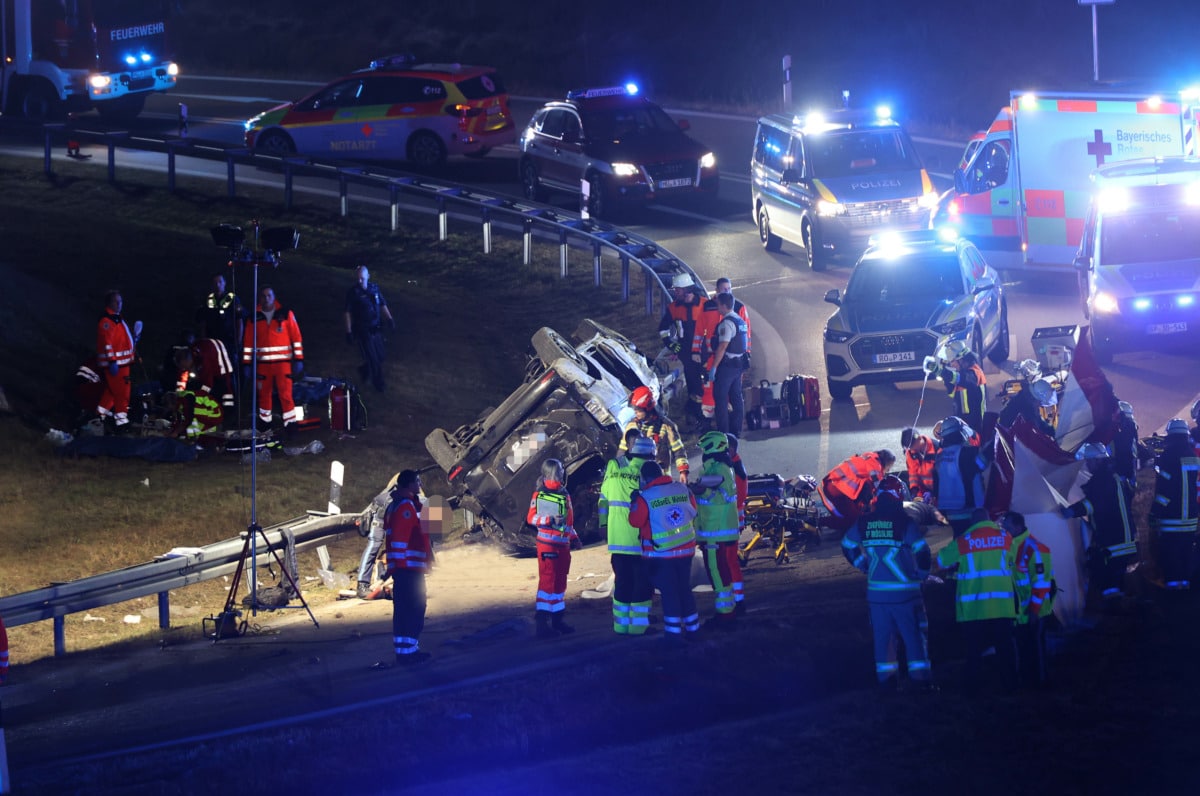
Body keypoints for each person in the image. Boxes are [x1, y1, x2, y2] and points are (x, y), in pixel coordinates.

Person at [841, 474, 933, 691]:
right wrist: (921, 575)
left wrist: (863, 565)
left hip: (877, 596)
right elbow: (923, 553)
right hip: (906, 595)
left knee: (883, 641)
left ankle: (887, 684)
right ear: (898, 497)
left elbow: (847, 544)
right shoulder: (904, 523)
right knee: (914, 639)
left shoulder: (864, 522)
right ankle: (920, 682)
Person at [935, 508, 1017, 692]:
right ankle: (1010, 685)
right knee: (1005, 647)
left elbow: (941, 561)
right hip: (1002, 605)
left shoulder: (965, 540)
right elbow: (1013, 561)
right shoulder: (1006, 537)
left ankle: (974, 689)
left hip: (974, 608)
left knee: (974, 650)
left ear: (972, 522)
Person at [628, 460, 700, 642]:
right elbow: (693, 509)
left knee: (670, 594)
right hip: (686, 551)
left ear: (645, 478)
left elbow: (635, 521)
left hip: (661, 554)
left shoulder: (645, 497)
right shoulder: (682, 489)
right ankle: (693, 629)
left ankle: (673, 635)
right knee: (684, 589)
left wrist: (634, 502)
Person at [1061, 442, 1137, 604]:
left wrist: (1071, 511)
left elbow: (1093, 504)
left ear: (1097, 460)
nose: (1087, 465)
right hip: (1122, 537)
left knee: (1108, 580)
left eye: (1089, 461)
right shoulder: (1112, 476)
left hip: (1113, 539)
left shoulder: (1102, 480)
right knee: (1117, 579)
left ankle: (1114, 609)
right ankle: (1121, 608)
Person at [599, 432, 656, 635]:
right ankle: (638, 627)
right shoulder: (646, 472)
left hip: (616, 540)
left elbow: (603, 500)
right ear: (650, 454)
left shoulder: (614, 467)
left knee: (622, 583)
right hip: (638, 541)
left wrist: (603, 525)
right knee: (642, 584)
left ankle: (620, 626)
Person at [692, 431, 742, 630]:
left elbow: (714, 492)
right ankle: (728, 611)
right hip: (717, 530)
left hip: (716, 530)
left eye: (704, 449)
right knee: (720, 571)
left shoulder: (719, 468)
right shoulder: (720, 467)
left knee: (717, 572)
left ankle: (726, 614)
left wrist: (697, 490)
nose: (703, 453)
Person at [384, 469, 435, 664]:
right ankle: (410, 652)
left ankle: (404, 651)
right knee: (415, 608)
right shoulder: (405, 506)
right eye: (417, 481)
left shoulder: (398, 504)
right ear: (410, 484)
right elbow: (400, 538)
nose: (420, 484)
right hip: (408, 569)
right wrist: (400, 565)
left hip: (404, 569)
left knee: (403, 610)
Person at [527, 458, 581, 638]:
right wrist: (549, 520)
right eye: (560, 470)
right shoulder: (540, 494)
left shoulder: (564, 493)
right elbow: (531, 518)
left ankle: (558, 620)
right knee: (547, 583)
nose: (562, 472)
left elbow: (568, 522)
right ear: (552, 472)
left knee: (560, 583)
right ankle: (542, 624)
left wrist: (574, 537)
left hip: (562, 545)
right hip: (548, 546)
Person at [242, 285, 304, 432]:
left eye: (269, 295)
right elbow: (248, 342)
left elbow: (296, 337)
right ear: (260, 298)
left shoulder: (285, 313)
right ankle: (265, 424)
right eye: (263, 296)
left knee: (286, 394)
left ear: (274, 297)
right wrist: (246, 363)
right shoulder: (254, 317)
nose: (266, 298)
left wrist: (299, 360)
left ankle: (290, 424)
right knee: (264, 394)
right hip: (263, 364)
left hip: (283, 364)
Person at [1004, 510, 1055, 688]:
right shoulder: (1011, 546)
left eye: (1007, 527)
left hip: (1034, 611)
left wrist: (1034, 610)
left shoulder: (1035, 549)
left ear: (1018, 526)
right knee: (1024, 648)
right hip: (1020, 613)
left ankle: (1041, 684)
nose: (1005, 530)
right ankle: (1027, 682)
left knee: (1037, 649)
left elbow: (1041, 584)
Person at [1148, 419, 1199, 591]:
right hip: (1191, 516)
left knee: (1170, 554)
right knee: (1186, 553)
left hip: (1172, 517)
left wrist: (1154, 513)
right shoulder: (1193, 456)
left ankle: (1172, 590)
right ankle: (1184, 586)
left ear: (1170, 436)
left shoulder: (1168, 457)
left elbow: (1164, 490)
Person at [658, 272, 708, 431]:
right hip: (686, 353)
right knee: (694, 385)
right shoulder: (674, 308)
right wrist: (671, 345)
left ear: (687, 289)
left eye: (678, 290)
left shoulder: (705, 305)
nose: (675, 292)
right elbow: (663, 329)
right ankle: (696, 416)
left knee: (707, 383)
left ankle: (701, 413)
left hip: (705, 351)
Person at [621, 385, 689, 483]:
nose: (636, 413)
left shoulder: (666, 426)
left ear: (648, 408)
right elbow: (622, 451)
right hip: (637, 479)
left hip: (661, 478)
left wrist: (683, 471)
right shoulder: (631, 426)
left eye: (639, 410)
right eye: (634, 409)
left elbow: (678, 449)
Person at [932, 416, 986, 538]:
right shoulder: (967, 453)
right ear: (960, 432)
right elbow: (982, 465)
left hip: (950, 512)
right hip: (970, 509)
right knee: (974, 542)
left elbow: (936, 485)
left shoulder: (940, 457)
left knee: (959, 543)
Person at [95, 289, 142, 432]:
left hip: (122, 363)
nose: (119, 304)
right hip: (116, 364)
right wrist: (112, 361)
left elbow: (121, 341)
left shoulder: (117, 318)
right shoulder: (107, 321)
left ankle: (99, 416)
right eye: (116, 301)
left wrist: (134, 339)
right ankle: (121, 422)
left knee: (111, 391)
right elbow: (107, 343)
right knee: (122, 391)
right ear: (109, 303)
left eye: (120, 301)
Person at [344, 265, 395, 393]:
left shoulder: (374, 289)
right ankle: (379, 383)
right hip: (363, 330)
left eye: (362, 278)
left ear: (368, 276)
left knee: (381, 356)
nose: (360, 281)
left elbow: (382, 304)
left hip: (376, 328)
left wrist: (389, 319)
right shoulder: (353, 293)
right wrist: (349, 331)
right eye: (358, 278)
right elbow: (347, 312)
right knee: (373, 359)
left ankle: (365, 369)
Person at [704, 291, 748, 437]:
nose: (717, 308)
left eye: (718, 305)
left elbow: (723, 346)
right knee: (736, 397)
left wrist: (714, 367)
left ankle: (723, 433)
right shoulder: (740, 321)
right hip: (738, 365)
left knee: (721, 398)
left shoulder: (727, 323)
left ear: (723, 306)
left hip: (727, 367)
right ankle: (736, 430)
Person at [820, 449, 895, 533]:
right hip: (836, 489)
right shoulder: (875, 466)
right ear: (886, 462)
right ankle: (819, 522)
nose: (888, 470)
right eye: (889, 466)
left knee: (859, 511)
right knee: (853, 521)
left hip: (834, 484)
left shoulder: (871, 457)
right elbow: (877, 489)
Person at [196, 272, 244, 398]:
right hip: (212, 343)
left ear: (224, 283)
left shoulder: (232, 299)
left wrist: (238, 342)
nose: (218, 285)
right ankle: (215, 397)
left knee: (230, 370)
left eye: (220, 282)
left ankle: (233, 398)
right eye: (215, 282)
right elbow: (202, 323)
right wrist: (203, 341)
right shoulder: (208, 300)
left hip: (228, 342)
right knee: (212, 370)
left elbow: (239, 320)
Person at [926, 338, 986, 438]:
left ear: (962, 359)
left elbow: (962, 379)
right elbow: (953, 394)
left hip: (975, 429)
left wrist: (941, 371)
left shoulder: (975, 373)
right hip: (963, 426)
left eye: (953, 361)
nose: (951, 364)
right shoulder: (962, 373)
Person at [356, 473, 400, 599]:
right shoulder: (389, 499)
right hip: (380, 519)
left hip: (391, 518)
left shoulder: (413, 498)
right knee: (373, 545)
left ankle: (395, 580)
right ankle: (362, 584)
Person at [175, 337, 236, 413]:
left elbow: (208, 384)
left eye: (184, 367)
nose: (184, 369)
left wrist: (199, 396)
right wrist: (179, 394)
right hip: (212, 352)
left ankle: (228, 412)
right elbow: (182, 378)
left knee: (226, 390)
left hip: (221, 365)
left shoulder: (203, 359)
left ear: (186, 360)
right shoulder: (189, 357)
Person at [998, 360, 1056, 438]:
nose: (1040, 405)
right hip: (1011, 438)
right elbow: (1034, 432)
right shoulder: (1026, 411)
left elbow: (1039, 421)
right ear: (1036, 399)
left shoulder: (1026, 400)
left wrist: (1051, 430)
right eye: (1040, 402)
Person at [726, 432, 749, 613]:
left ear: (731, 449)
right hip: (732, 521)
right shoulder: (734, 466)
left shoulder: (735, 469)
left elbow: (738, 497)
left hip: (731, 522)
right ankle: (736, 599)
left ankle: (737, 601)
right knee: (730, 561)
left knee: (730, 561)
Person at [901, 427, 938, 501]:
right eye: (909, 448)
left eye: (912, 447)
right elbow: (913, 474)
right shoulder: (911, 453)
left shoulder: (937, 449)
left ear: (919, 438)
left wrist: (933, 493)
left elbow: (943, 477)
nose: (911, 450)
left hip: (938, 494)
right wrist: (914, 491)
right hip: (922, 495)